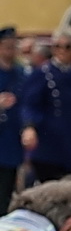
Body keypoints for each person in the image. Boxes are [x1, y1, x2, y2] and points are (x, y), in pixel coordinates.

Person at [21, 29, 71, 182]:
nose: (62, 51)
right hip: (49, 144)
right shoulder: (42, 73)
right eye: (57, 46)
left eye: (67, 47)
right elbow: (30, 103)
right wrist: (29, 126)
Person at [0, 27, 24, 208]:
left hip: (11, 140)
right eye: (6, 46)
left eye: (13, 46)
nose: (10, 50)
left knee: (8, 190)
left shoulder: (21, 73)